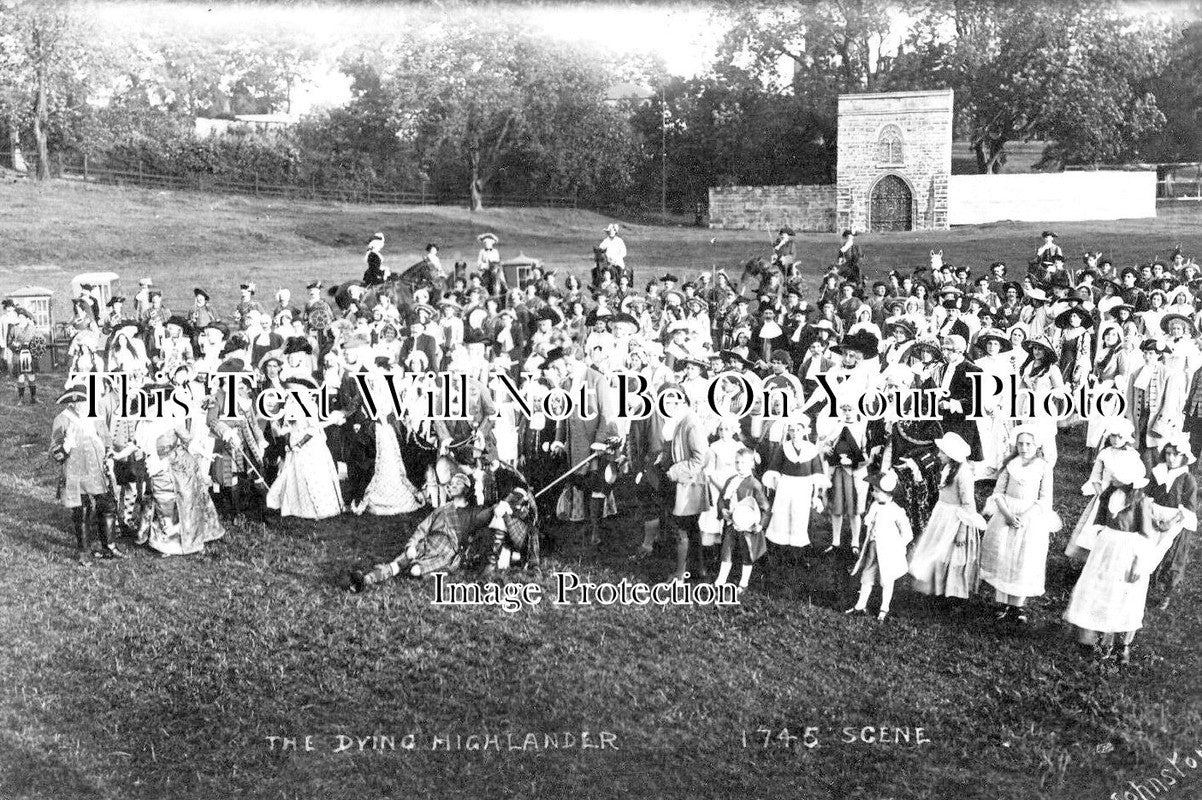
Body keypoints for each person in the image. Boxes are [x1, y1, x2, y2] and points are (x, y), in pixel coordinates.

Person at [347, 470, 514, 589]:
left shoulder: (473, 513)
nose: (452, 485)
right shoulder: (441, 509)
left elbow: (492, 511)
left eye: (457, 483)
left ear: (466, 490)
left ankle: (438, 570)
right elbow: (422, 529)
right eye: (452, 482)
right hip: (426, 544)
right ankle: (365, 580)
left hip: (445, 552)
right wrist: (412, 545)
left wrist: (502, 504)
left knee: (415, 570)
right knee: (398, 563)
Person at [1063, 459, 1154, 664]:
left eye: (1117, 474)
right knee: (1102, 590)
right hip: (1106, 549)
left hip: (1128, 552)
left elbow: (1146, 535)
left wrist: (1137, 563)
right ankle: (1100, 638)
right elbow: (1100, 522)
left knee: (1124, 595)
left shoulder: (1140, 501)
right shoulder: (1108, 495)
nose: (1111, 476)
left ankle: (1123, 645)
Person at [978, 426, 1057, 627]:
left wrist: (1023, 516)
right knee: (1003, 555)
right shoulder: (1009, 465)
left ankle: (1017, 604)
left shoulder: (1043, 467)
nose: (1024, 447)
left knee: (1023, 558)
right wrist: (1007, 514)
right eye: (1020, 443)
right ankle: (1002, 601)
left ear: (1036, 445)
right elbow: (998, 492)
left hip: (1030, 517)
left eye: (1028, 444)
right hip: (1006, 513)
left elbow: (1045, 498)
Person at [907, 432, 986, 603]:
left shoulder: (963, 474)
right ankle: (938, 587)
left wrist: (962, 532)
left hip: (956, 520)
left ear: (951, 455)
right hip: (942, 515)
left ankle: (952, 592)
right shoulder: (948, 468)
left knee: (951, 555)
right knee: (937, 549)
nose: (939, 455)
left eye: (942, 452)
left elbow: (968, 504)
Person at [50, 384, 124, 564]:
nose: (82, 405)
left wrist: (109, 454)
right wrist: (66, 445)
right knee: (81, 511)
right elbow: (55, 452)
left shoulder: (95, 416)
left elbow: (106, 438)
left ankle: (109, 546)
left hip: (97, 469)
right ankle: (84, 552)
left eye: (85, 400)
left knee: (107, 506)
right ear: (72, 403)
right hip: (76, 471)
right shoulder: (62, 419)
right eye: (78, 402)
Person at [265, 378, 345, 520]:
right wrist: (282, 434)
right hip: (294, 445)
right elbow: (288, 427)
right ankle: (296, 507)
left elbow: (313, 429)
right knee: (293, 475)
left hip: (310, 446)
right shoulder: (290, 405)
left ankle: (318, 508)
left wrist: (300, 444)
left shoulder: (308, 405)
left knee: (313, 475)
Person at [846, 470, 913, 622]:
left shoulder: (896, 511)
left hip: (888, 551)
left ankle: (884, 609)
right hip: (873, 549)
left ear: (889, 494)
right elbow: (870, 525)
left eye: (876, 491)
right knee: (867, 575)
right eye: (873, 490)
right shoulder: (875, 506)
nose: (873, 493)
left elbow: (907, 533)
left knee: (887, 579)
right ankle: (860, 605)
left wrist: (898, 548)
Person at [1147, 434, 1198, 611]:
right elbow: (1149, 496)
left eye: (1175, 455)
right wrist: (1152, 516)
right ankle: (1145, 584)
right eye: (1168, 454)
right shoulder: (1158, 472)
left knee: (1172, 558)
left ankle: (1166, 594)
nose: (1171, 458)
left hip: (1176, 520)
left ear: (1183, 457)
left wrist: (1170, 523)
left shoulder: (1187, 479)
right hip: (1156, 516)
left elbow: (1189, 507)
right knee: (1148, 551)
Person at [714, 448, 770, 595]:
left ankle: (743, 582)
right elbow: (721, 498)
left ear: (751, 464)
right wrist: (722, 510)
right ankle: (721, 580)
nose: (739, 466)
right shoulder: (731, 480)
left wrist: (760, 524)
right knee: (727, 550)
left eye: (743, 463)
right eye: (737, 462)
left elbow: (765, 507)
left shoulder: (754, 484)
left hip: (747, 524)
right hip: (731, 522)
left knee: (747, 553)